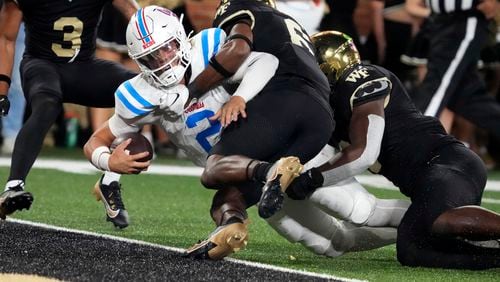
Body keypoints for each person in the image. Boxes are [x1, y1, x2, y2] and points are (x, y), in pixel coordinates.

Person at [85, 6, 409, 258]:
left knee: (362, 211)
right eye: (152, 57)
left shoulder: (209, 47)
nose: (163, 60)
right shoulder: (136, 94)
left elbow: (264, 62)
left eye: (168, 48)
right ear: (138, 62)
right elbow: (97, 141)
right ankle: (418, 231)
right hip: (242, 178)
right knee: (333, 244)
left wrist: (238, 95)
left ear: (181, 38)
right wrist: (109, 164)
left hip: (281, 147)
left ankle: (431, 218)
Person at [277, 30, 500, 269]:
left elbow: (365, 152)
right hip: (432, 175)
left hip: (446, 162)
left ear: (328, 62)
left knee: (436, 224)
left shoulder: (361, 77)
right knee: (413, 250)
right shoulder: (332, 106)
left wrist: (311, 179)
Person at [0, 0, 139, 220]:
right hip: (41, 65)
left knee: (142, 91)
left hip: (83, 67)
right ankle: (13, 185)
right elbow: (6, 38)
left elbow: (135, 15)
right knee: (47, 104)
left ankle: (109, 180)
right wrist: (3, 87)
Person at [411, 0, 500, 140]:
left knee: (436, 87)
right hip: (441, 20)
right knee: (465, 95)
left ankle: (413, 142)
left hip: (464, 19)